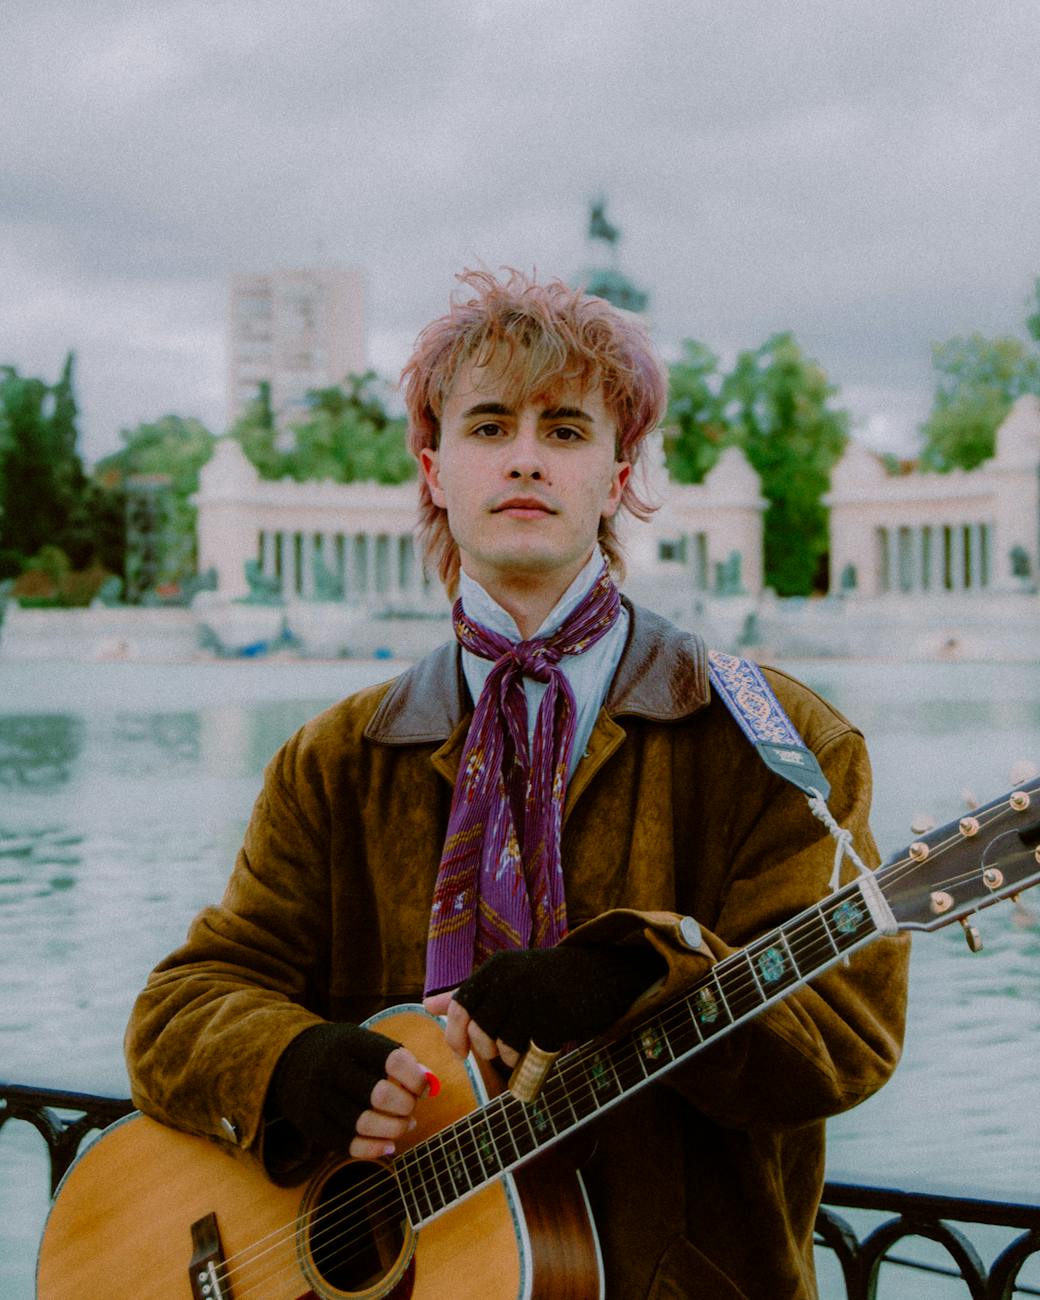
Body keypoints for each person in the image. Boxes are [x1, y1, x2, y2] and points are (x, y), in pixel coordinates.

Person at [126, 269, 909, 1298]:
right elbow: (180, 1006)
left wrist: (642, 976)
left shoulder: (774, 738)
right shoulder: (337, 757)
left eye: (567, 431)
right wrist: (293, 1063)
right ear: (431, 469)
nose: (526, 459)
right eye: (488, 427)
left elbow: (842, 1035)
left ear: (620, 474)